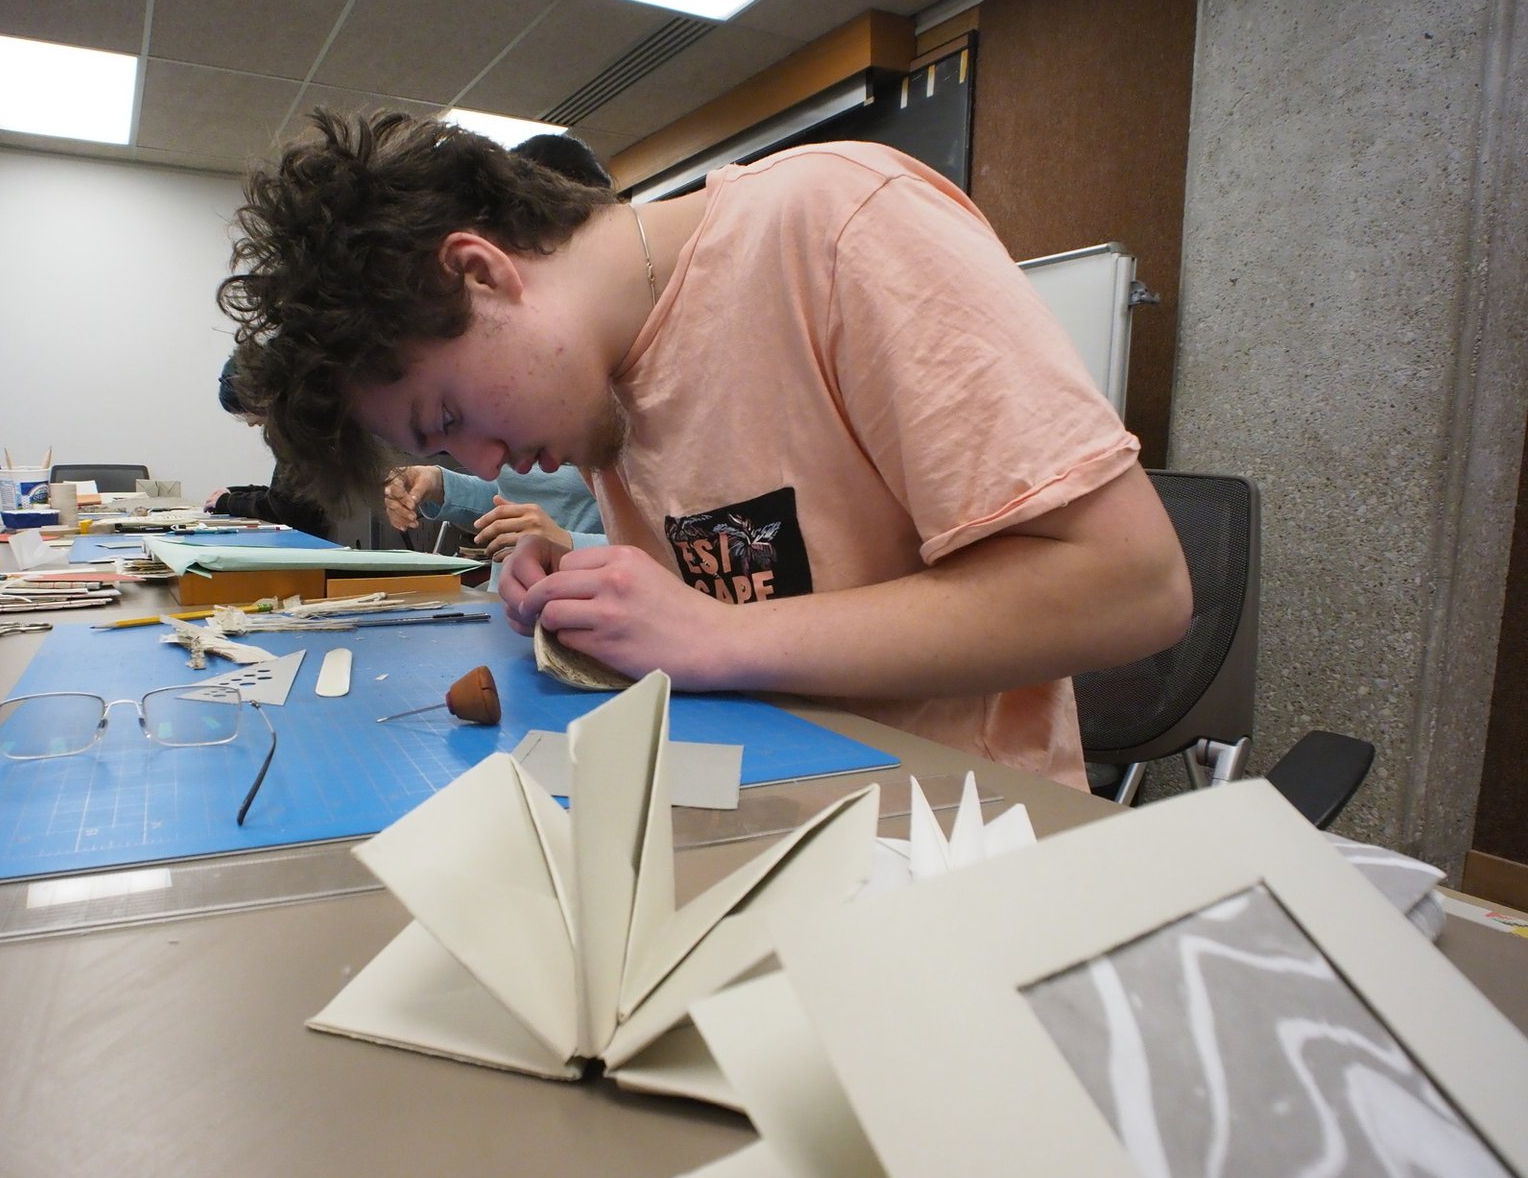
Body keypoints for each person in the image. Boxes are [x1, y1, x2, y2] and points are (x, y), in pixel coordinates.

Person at [218, 111, 1191, 787]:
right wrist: (603, 583)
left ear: (481, 272)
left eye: (443, 419)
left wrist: (716, 638)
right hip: (763, 800)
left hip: (947, 836)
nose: (478, 463)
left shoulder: (838, 227)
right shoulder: (600, 380)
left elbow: (1132, 583)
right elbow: (771, 572)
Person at [203, 358, 334, 539]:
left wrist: (228, 501)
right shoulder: (307, 420)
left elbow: (285, 508)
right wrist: (233, 494)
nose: (250, 423)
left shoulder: (298, 431)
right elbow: (284, 495)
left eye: (245, 413)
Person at [382, 461, 604, 562]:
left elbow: (639, 545)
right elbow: (508, 498)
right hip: (503, 604)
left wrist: (568, 543)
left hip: (587, 607)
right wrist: (438, 483)